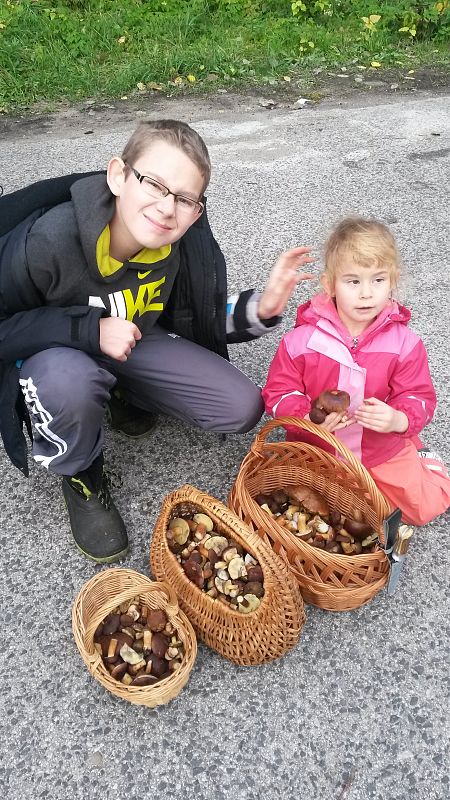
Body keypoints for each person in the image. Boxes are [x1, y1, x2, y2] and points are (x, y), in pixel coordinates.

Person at [0, 119, 314, 563]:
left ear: (197, 213)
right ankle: (81, 473)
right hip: (52, 354)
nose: (167, 208)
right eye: (154, 184)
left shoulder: (175, 249)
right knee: (68, 377)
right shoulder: (48, 243)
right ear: (118, 176)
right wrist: (89, 330)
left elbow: (195, 318)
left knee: (241, 406)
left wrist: (262, 308)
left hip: (131, 338)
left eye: (185, 199)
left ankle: (119, 388)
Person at [262, 216, 450, 526]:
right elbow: (278, 392)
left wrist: (399, 419)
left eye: (378, 280)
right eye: (353, 281)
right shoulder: (302, 341)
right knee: (308, 510)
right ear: (329, 284)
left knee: (425, 507)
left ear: (393, 280)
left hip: (379, 446)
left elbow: (418, 395)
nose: (366, 293)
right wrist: (306, 418)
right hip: (317, 447)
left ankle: (421, 455)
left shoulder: (404, 343)